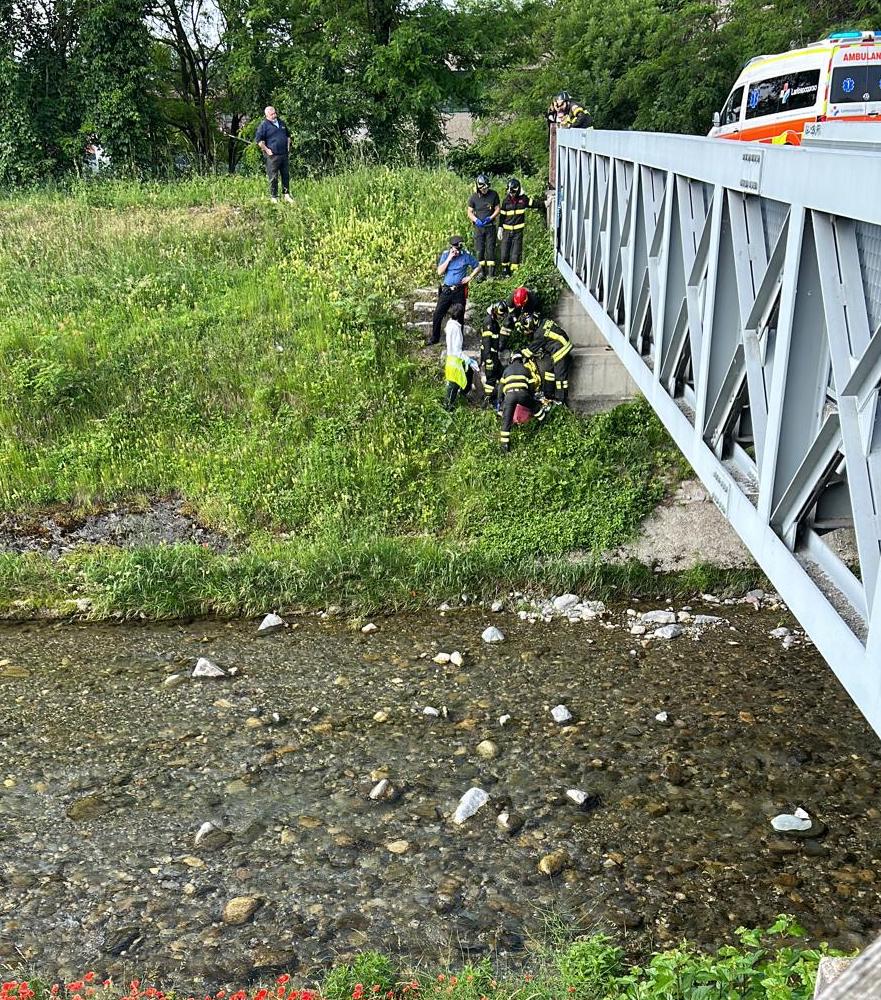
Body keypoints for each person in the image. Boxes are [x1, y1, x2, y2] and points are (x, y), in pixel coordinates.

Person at [429, 235, 481, 346]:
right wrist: (449, 258)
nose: (457, 251)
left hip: (459, 290)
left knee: (460, 316)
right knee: (438, 314)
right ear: (451, 247)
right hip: (447, 289)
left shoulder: (465, 256)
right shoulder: (445, 255)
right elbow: (439, 272)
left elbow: (478, 266)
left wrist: (470, 277)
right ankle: (435, 338)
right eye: (455, 248)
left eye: (459, 248)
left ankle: (459, 342)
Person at [498, 352, 550, 453]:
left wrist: (501, 402)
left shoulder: (506, 370)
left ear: (512, 360)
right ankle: (544, 422)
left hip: (509, 396)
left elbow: (500, 388)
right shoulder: (526, 369)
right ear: (521, 360)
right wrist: (530, 398)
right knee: (535, 407)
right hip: (522, 394)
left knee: (506, 421)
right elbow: (531, 387)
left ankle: (505, 447)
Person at [521, 313, 574, 405]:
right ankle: (548, 394)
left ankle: (561, 401)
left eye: (527, 329)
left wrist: (518, 354)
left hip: (560, 351)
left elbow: (529, 352)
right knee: (549, 371)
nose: (528, 331)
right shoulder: (545, 321)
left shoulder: (539, 334)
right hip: (564, 344)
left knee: (560, 377)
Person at [498, 178, 543, 277]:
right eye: (510, 191)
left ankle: (515, 274)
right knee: (504, 253)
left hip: (518, 232)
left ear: (518, 190)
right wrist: (500, 228)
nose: (512, 194)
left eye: (513, 192)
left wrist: (545, 204)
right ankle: (505, 271)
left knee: (515, 254)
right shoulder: (505, 201)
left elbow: (534, 204)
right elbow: (502, 216)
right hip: (507, 231)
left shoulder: (523, 199)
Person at [443, 303, 478, 411]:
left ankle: (461, 395)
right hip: (455, 361)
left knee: (468, 374)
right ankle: (448, 408)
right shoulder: (456, 329)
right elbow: (457, 350)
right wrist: (468, 360)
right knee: (453, 386)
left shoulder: (450, 324)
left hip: (451, 359)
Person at [255, 106, 294, 203]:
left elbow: (288, 136)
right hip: (273, 156)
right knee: (273, 176)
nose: (274, 115)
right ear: (267, 115)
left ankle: (286, 195)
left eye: (275, 113)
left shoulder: (281, 123)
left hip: (284, 154)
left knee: (285, 175)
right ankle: (274, 197)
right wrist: (267, 150)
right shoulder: (264, 125)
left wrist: (288, 146)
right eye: (272, 114)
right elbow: (259, 141)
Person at [467, 174, 500, 280]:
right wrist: (476, 220)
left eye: (486, 187)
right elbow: (469, 212)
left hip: (490, 227)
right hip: (479, 228)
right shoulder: (473, 197)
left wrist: (490, 218)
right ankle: (481, 272)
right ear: (478, 187)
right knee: (480, 250)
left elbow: (497, 209)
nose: (485, 189)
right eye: (483, 188)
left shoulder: (493, 195)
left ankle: (491, 274)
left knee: (490, 249)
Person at [480, 300, 510, 409]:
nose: (500, 317)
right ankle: (486, 401)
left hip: (494, 356)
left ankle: (498, 397)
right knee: (491, 379)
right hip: (490, 357)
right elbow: (486, 342)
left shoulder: (493, 321)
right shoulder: (489, 322)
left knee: (502, 374)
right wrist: (488, 360)